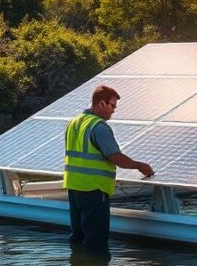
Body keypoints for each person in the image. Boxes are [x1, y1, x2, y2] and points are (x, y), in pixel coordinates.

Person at [63, 85, 154, 254]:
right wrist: (140, 166)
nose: (113, 111)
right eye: (112, 106)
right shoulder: (99, 127)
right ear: (101, 103)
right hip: (94, 189)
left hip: (74, 189)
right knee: (96, 242)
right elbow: (115, 156)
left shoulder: (74, 123)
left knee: (78, 237)